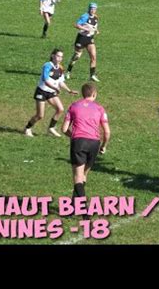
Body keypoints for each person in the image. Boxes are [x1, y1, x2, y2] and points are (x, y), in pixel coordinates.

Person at [61, 83, 110, 219]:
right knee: (83, 176)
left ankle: (84, 211)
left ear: (83, 94)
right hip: (94, 143)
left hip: (79, 142)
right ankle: (71, 208)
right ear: (94, 94)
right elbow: (107, 132)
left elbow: (64, 129)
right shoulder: (100, 108)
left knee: (77, 177)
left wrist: (74, 136)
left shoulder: (73, 106)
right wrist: (104, 146)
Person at [24, 48, 78, 137]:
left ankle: (51, 128)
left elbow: (61, 82)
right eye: (58, 56)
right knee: (40, 115)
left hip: (51, 92)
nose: (60, 58)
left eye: (61, 57)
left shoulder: (60, 68)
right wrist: (55, 88)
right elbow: (45, 80)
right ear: (53, 56)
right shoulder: (47, 66)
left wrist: (69, 90)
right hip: (42, 91)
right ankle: (28, 128)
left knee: (60, 109)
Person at [65, 2, 100, 82]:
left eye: (94, 9)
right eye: (91, 8)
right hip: (81, 38)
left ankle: (92, 75)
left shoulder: (96, 18)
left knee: (93, 57)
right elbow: (76, 25)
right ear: (89, 9)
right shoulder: (84, 16)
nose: (92, 10)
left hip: (90, 39)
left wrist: (96, 30)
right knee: (77, 56)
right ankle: (68, 72)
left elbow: (94, 26)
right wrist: (85, 29)